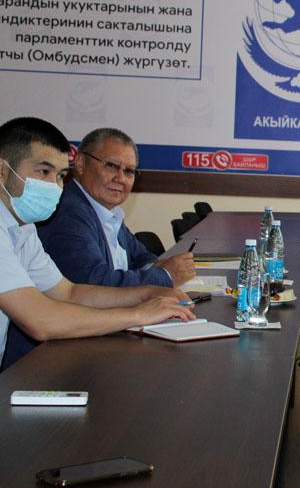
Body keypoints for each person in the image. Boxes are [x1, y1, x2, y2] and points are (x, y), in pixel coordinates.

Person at [0, 117, 194, 371]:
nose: (54, 186)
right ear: (2, 171)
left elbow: (70, 293)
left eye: (60, 175)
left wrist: (148, 294)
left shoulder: (23, 229)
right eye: (43, 172)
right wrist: (139, 314)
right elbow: (40, 320)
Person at [39, 127, 195, 288]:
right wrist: (166, 276)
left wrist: (158, 268)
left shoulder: (107, 211)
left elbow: (141, 257)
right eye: (111, 166)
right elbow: (94, 283)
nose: (120, 178)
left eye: (129, 171)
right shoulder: (66, 212)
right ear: (81, 164)